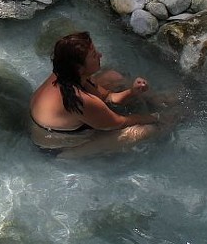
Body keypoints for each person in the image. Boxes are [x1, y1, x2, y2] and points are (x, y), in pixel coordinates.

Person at [29, 31, 165, 157]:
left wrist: (132, 91)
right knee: (145, 131)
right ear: (79, 68)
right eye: (94, 55)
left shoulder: (65, 72)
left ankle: (161, 99)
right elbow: (120, 122)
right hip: (57, 148)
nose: (100, 55)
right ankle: (172, 118)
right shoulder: (81, 100)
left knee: (113, 77)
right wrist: (155, 117)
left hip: (52, 124)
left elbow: (108, 97)